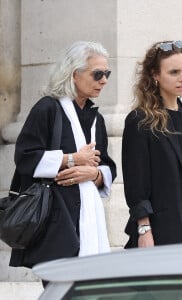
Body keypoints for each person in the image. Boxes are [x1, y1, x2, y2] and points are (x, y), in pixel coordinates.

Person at [9, 41, 117, 269]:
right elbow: (25, 157)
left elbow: (107, 166)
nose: (104, 80)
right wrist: (71, 159)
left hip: (88, 221)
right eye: (97, 74)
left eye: (106, 73)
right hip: (55, 223)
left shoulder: (96, 118)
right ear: (73, 74)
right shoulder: (47, 109)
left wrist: (94, 174)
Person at [122, 40, 182, 248]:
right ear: (155, 75)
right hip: (162, 226)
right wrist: (144, 229)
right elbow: (136, 183)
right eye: (174, 72)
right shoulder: (140, 120)